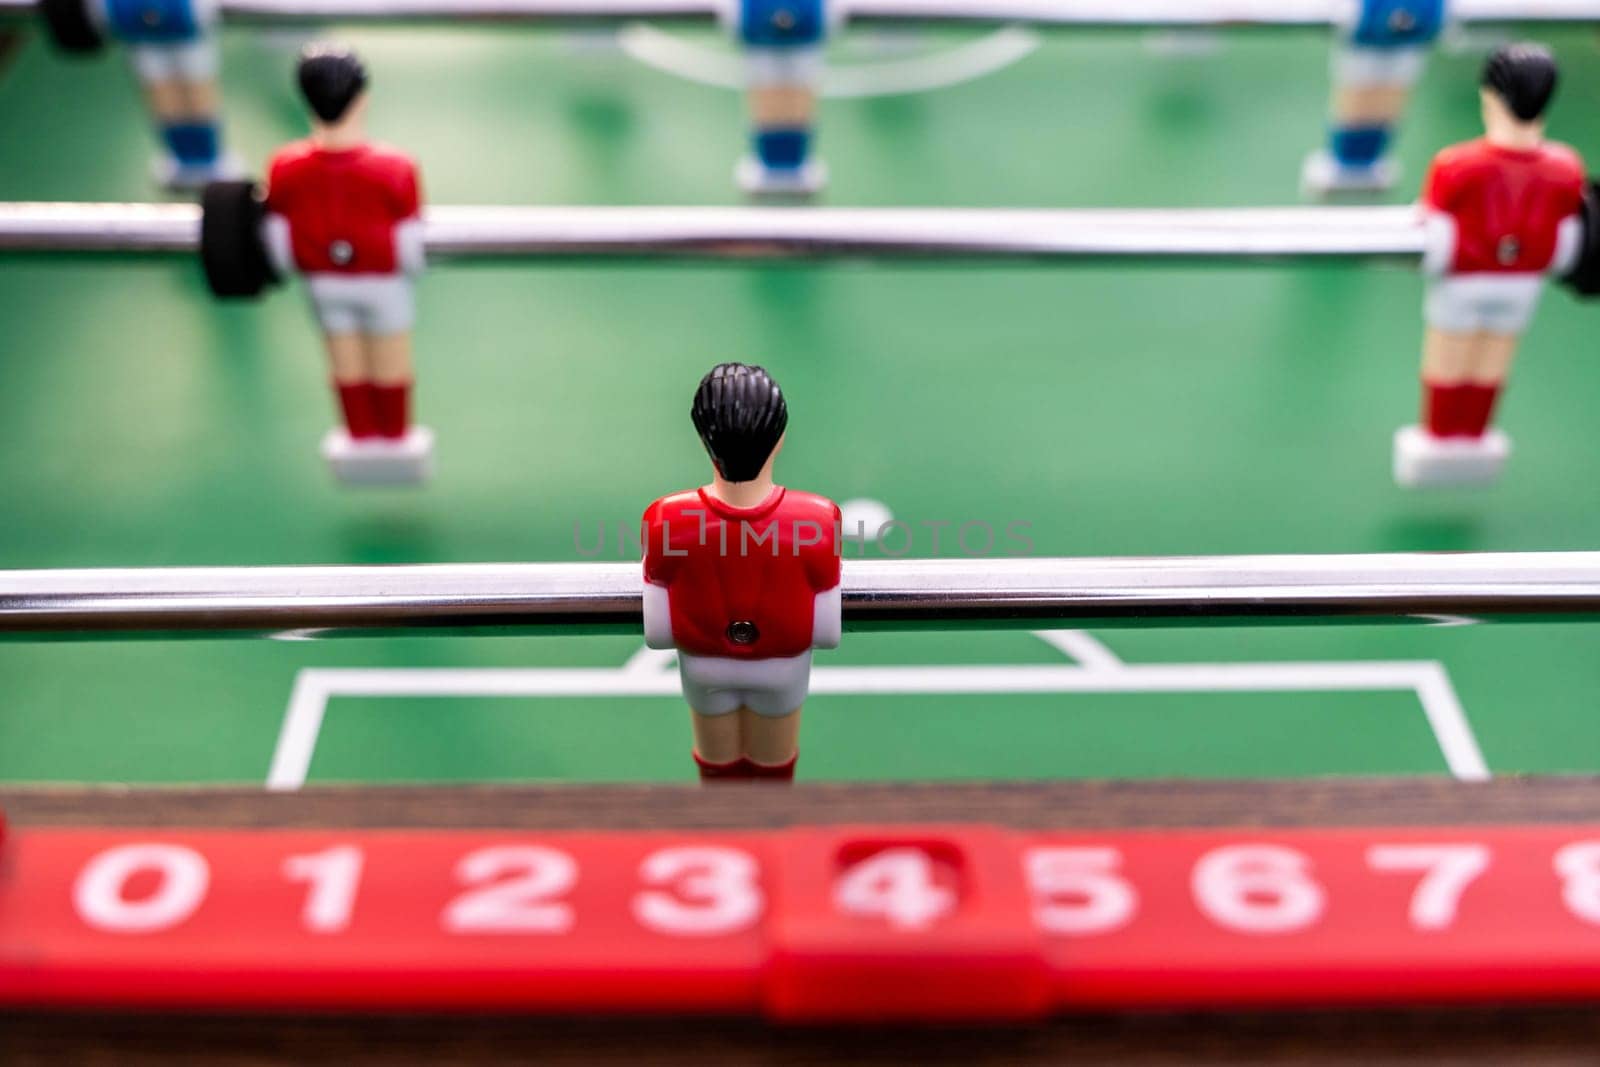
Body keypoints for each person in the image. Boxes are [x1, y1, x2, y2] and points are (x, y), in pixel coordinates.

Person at [1395, 42, 1586, 488]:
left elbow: (1434, 231)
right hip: (1523, 285)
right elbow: (1567, 235)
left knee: (1450, 355)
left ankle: (1441, 438)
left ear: (1492, 99)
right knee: (1495, 355)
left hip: (1463, 282)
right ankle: (1474, 436)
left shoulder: (1455, 166)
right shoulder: (1567, 167)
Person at [642, 363, 842, 782]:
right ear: (780, 438)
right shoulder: (818, 522)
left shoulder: (666, 520)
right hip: (782, 667)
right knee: (773, 764)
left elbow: (657, 621)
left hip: (702, 665)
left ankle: (726, 836)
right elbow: (827, 626)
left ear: (703, 439)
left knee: (716, 765)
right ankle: (765, 838)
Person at [263, 44, 432, 484]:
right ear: (362, 97)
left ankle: (360, 435)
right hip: (382, 284)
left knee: (345, 361)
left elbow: (278, 239)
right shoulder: (396, 168)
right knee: (390, 358)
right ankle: (393, 438)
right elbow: (411, 244)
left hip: (323, 284)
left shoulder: (285, 166)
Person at [101, 0, 236, 188]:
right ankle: (182, 155)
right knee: (160, 90)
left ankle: (208, 156)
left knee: (196, 88)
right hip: (138, 25)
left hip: (186, 21)